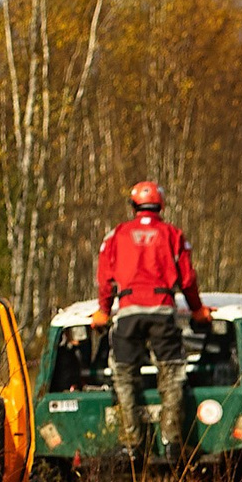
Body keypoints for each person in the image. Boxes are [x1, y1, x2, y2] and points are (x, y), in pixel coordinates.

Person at [92, 180, 211, 456]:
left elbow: (105, 280)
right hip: (162, 310)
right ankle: (171, 440)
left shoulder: (116, 235)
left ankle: (132, 444)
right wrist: (197, 309)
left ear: (134, 205)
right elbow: (188, 279)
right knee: (171, 373)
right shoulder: (173, 235)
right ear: (161, 205)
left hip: (129, 312)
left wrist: (103, 311)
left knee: (123, 374)